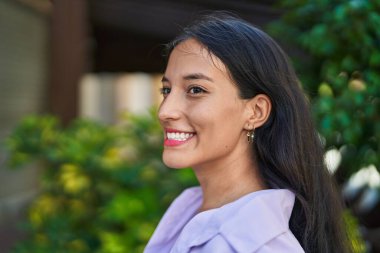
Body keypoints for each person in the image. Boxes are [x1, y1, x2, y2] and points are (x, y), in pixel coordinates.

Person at [144, 13, 349, 253]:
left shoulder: (262, 245)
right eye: (166, 89)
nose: (165, 111)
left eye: (195, 89)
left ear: (255, 112)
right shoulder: (191, 211)